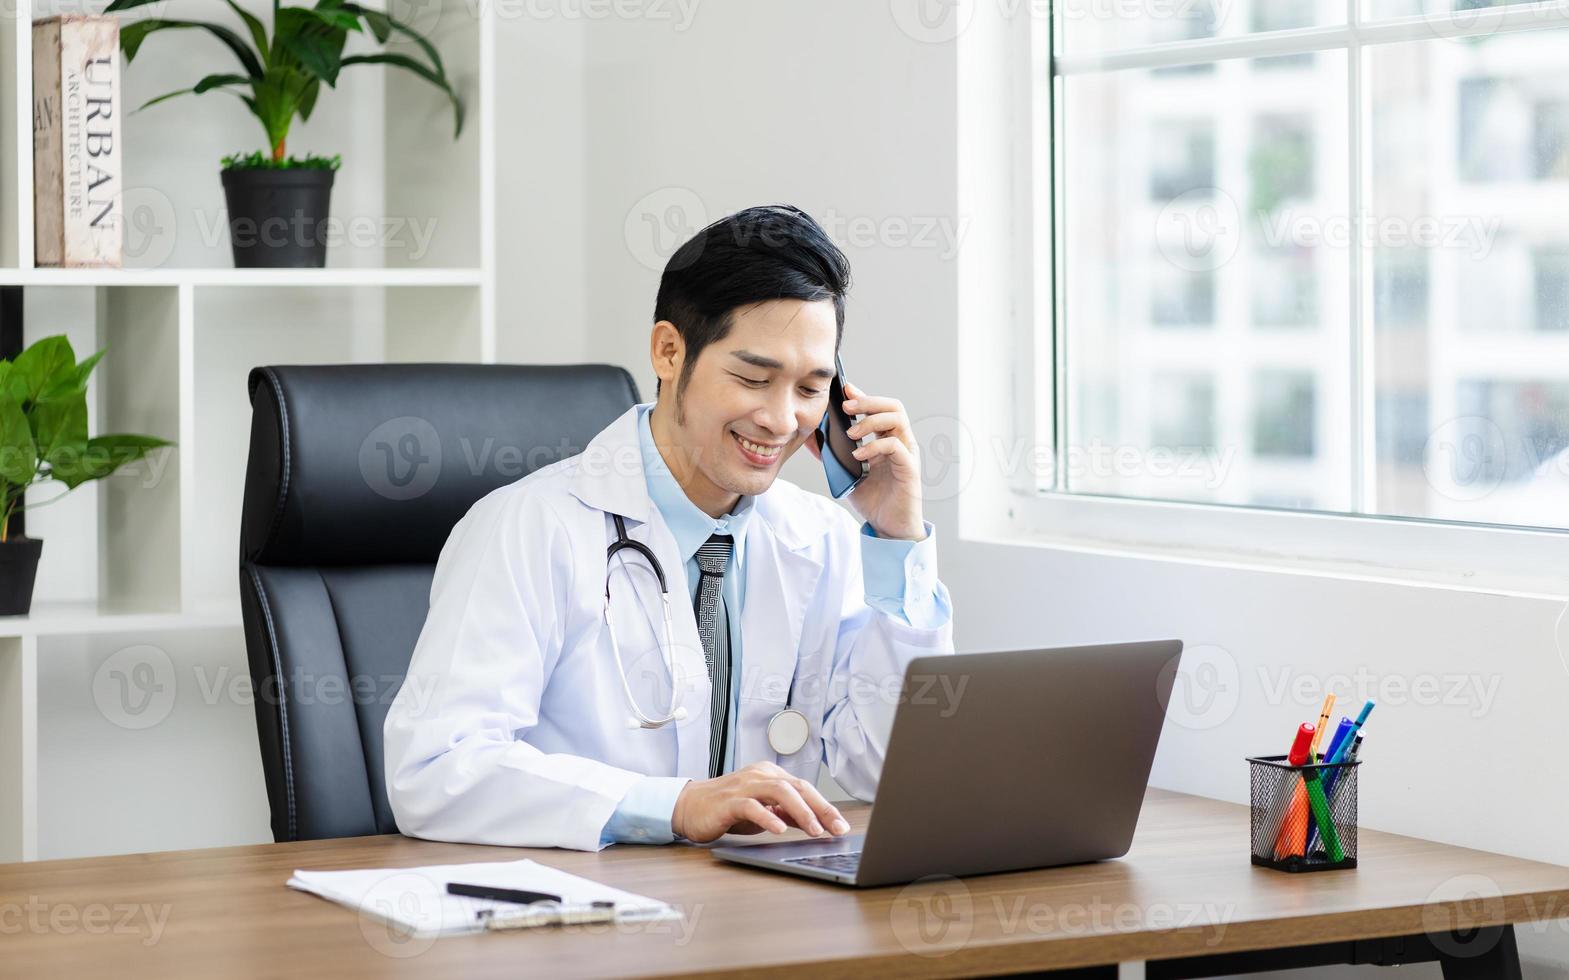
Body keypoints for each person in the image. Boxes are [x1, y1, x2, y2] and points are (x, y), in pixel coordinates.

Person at [383, 205, 955, 851]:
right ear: (667, 351)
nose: (779, 418)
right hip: (585, 913)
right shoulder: (526, 527)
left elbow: (886, 770)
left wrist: (895, 540)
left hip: (766, 907)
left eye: (809, 389)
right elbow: (436, 774)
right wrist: (672, 806)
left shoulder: (822, 537)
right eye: (752, 378)